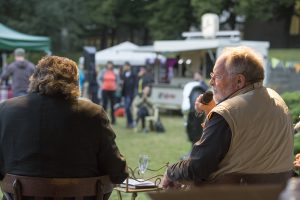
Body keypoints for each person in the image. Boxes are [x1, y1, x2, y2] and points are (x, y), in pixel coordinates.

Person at [162, 46, 294, 188]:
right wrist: (212, 111)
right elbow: (247, 145)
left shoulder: (226, 112)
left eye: (216, 77)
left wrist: (171, 172)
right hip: (278, 194)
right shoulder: (276, 99)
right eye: (211, 76)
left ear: (239, 81)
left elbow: (198, 168)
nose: (211, 82)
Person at [0, 56, 128, 199]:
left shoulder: (6, 110)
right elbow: (118, 173)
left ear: (34, 78)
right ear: (74, 82)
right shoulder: (92, 113)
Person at [121, 62, 137, 128]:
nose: (124, 67)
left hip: (130, 94)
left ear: (129, 66)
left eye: (125, 66)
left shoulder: (133, 74)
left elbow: (135, 84)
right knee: (126, 109)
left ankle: (131, 122)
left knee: (127, 108)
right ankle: (128, 123)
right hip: (125, 94)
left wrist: (134, 94)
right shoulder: (123, 74)